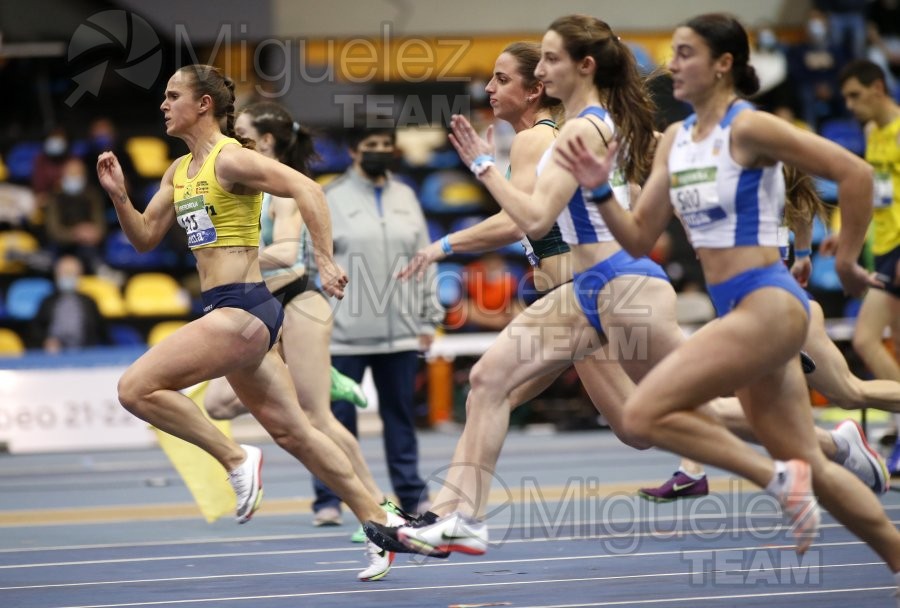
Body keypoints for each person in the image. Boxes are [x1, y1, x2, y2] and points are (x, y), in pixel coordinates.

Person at [371, 23, 887, 559]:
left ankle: (823, 451)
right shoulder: (588, 128)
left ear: (584, 67)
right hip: (591, 289)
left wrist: (481, 167)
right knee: (489, 378)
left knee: (675, 416)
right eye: (540, 62)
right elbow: (631, 214)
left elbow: (533, 216)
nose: (542, 72)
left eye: (549, 61)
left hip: (624, 286)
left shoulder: (578, 131)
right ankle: (461, 518)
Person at [555, 12, 900, 585]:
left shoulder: (748, 128)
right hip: (744, 312)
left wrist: (846, 260)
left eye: (686, 53)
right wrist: (598, 191)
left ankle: (774, 479)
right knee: (810, 461)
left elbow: (856, 174)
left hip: (769, 301)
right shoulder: (673, 144)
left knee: (642, 413)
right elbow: (640, 237)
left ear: (724, 65)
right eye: (671, 52)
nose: (672, 65)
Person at [96, 64, 403, 582]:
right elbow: (145, 237)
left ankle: (236, 459)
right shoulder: (179, 171)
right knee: (295, 432)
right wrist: (120, 198)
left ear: (204, 105)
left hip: (244, 307)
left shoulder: (232, 159)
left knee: (136, 388)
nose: (164, 105)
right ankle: (379, 523)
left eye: (174, 96)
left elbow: (309, 190)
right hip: (226, 310)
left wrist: (324, 259)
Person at [201, 101, 391, 544]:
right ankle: (314, 372)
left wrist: (232, 259)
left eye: (242, 130)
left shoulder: (281, 189)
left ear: (265, 141)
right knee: (216, 403)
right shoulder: (239, 183)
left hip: (299, 299)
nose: (233, 137)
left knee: (317, 418)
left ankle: (381, 508)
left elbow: (286, 254)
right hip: (257, 305)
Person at [310, 118, 443, 527]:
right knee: (334, 421)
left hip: (401, 331)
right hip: (344, 333)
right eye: (372, 143)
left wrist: (429, 317)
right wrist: (321, 317)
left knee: (401, 418)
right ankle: (328, 500)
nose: (381, 149)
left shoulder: (406, 194)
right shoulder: (328, 196)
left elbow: (425, 257)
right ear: (353, 151)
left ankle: (410, 494)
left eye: (387, 143)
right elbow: (314, 258)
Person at [837, 59, 900, 475]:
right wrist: (845, 237)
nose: (851, 105)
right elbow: (873, 195)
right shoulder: (872, 132)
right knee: (865, 340)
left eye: (856, 95)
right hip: (884, 248)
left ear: (878, 88)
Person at [31, 254, 106, 352]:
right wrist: (46, 341)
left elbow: (100, 329)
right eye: (64, 273)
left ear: (79, 275)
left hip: (84, 351)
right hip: (53, 353)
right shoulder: (47, 301)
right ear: (56, 275)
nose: (68, 276)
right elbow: (36, 329)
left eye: (71, 273)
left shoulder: (89, 302)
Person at [44, 157, 107, 272]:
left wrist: (94, 233)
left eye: (77, 174)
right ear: (63, 176)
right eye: (71, 174)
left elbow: (100, 225)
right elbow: (53, 230)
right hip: (61, 247)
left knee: (90, 253)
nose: (74, 178)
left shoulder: (92, 196)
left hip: (88, 247)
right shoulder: (55, 198)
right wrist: (76, 233)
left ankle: (101, 270)